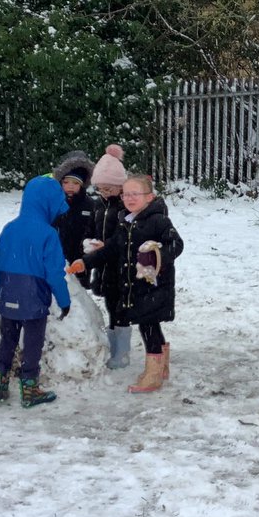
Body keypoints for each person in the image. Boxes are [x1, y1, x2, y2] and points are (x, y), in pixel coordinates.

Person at [68, 173, 183, 394]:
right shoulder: (126, 221)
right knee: (151, 325)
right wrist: (85, 262)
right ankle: (161, 367)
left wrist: (157, 254)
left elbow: (176, 244)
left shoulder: (158, 220)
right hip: (135, 287)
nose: (129, 198)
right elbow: (111, 249)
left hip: (154, 285)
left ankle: (153, 375)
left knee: (148, 325)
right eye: (126, 194)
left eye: (135, 194)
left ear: (149, 197)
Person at [0, 176, 72, 408]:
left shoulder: (10, 228)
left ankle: (0, 384)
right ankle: (30, 389)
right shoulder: (48, 234)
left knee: (8, 339)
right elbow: (55, 273)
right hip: (34, 299)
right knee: (33, 344)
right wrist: (64, 301)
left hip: (9, 295)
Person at [88, 144, 132, 369]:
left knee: (120, 307)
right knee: (109, 304)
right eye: (101, 189)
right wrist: (91, 242)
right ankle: (113, 345)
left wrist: (105, 246)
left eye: (109, 188)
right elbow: (93, 230)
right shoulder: (98, 205)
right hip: (103, 267)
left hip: (120, 266)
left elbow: (121, 238)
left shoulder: (126, 208)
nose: (104, 193)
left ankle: (122, 352)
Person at [53, 150, 96, 289]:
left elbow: (94, 229)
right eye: (66, 182)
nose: (70, 186)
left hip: (79, 258)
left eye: (75, 183)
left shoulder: (90, 205)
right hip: (56, 255)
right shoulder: (54, 203)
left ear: (82, 185)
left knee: (79, 293)